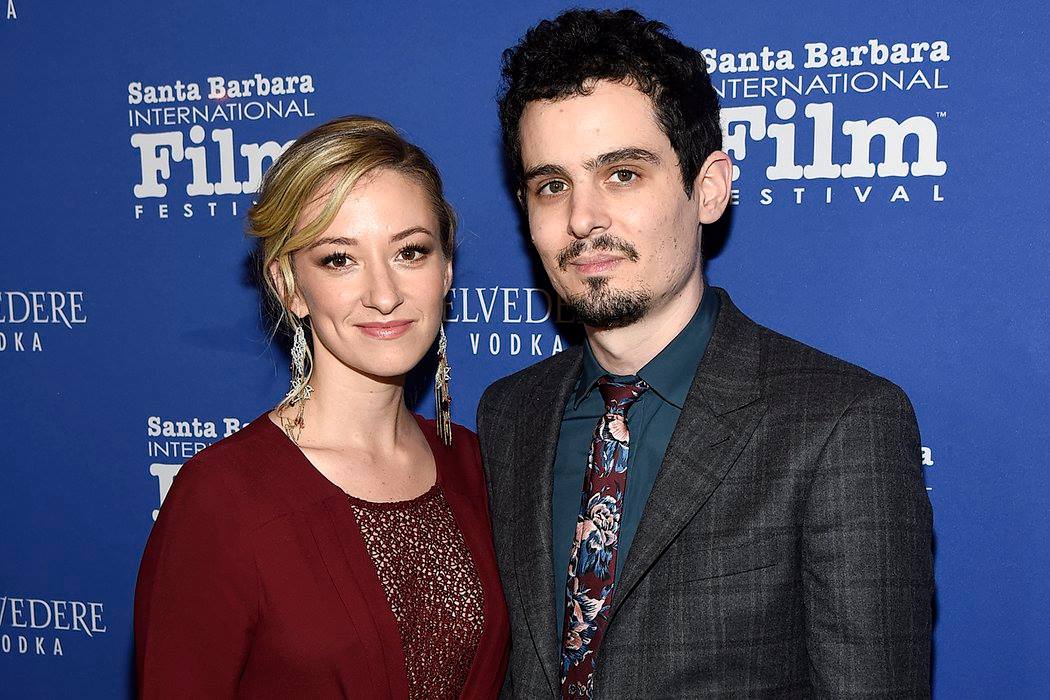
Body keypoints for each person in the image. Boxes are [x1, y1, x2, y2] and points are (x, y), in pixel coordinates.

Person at [477, 9, 933, 698]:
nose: (582, 218)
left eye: (623, 174)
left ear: (709, 188)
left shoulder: (842, 424)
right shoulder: (510, 414)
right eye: (552, 185)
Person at [135, 116, 508, 699]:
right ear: (287, 284)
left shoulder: (475, 465)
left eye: (411, 251)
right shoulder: (222, 498)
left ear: (446, 270)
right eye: (339, 259)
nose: (385, 294)